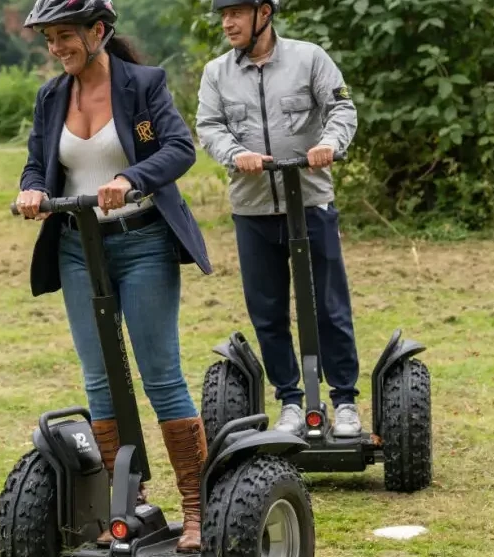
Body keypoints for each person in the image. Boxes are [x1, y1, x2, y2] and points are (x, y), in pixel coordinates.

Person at [13, 0, 211, 550]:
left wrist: (131, 177)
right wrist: (33, 188)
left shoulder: (144, 84)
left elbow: (179, 148)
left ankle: (197, 512)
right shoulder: (52, 96)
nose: (56, 49)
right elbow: (38, 161)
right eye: (49, 39)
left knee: (160, 374)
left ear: (98, 31)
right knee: (99, 378)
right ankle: (132, 502)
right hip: (79, 246)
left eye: (65, 36)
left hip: (141, 240)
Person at [194, 0, 362, 438]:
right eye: (223, 15)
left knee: (330, 306)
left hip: (310, 202)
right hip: (252, 210)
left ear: (263, 13)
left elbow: (342, 109)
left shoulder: (309, 58)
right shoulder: (217, 73)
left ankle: (344, 400)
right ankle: (290, 398)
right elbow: (209, 126)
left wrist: (329, 142)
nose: (227, 23)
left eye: (236, 13)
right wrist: (236, 154)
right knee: (267, 311)